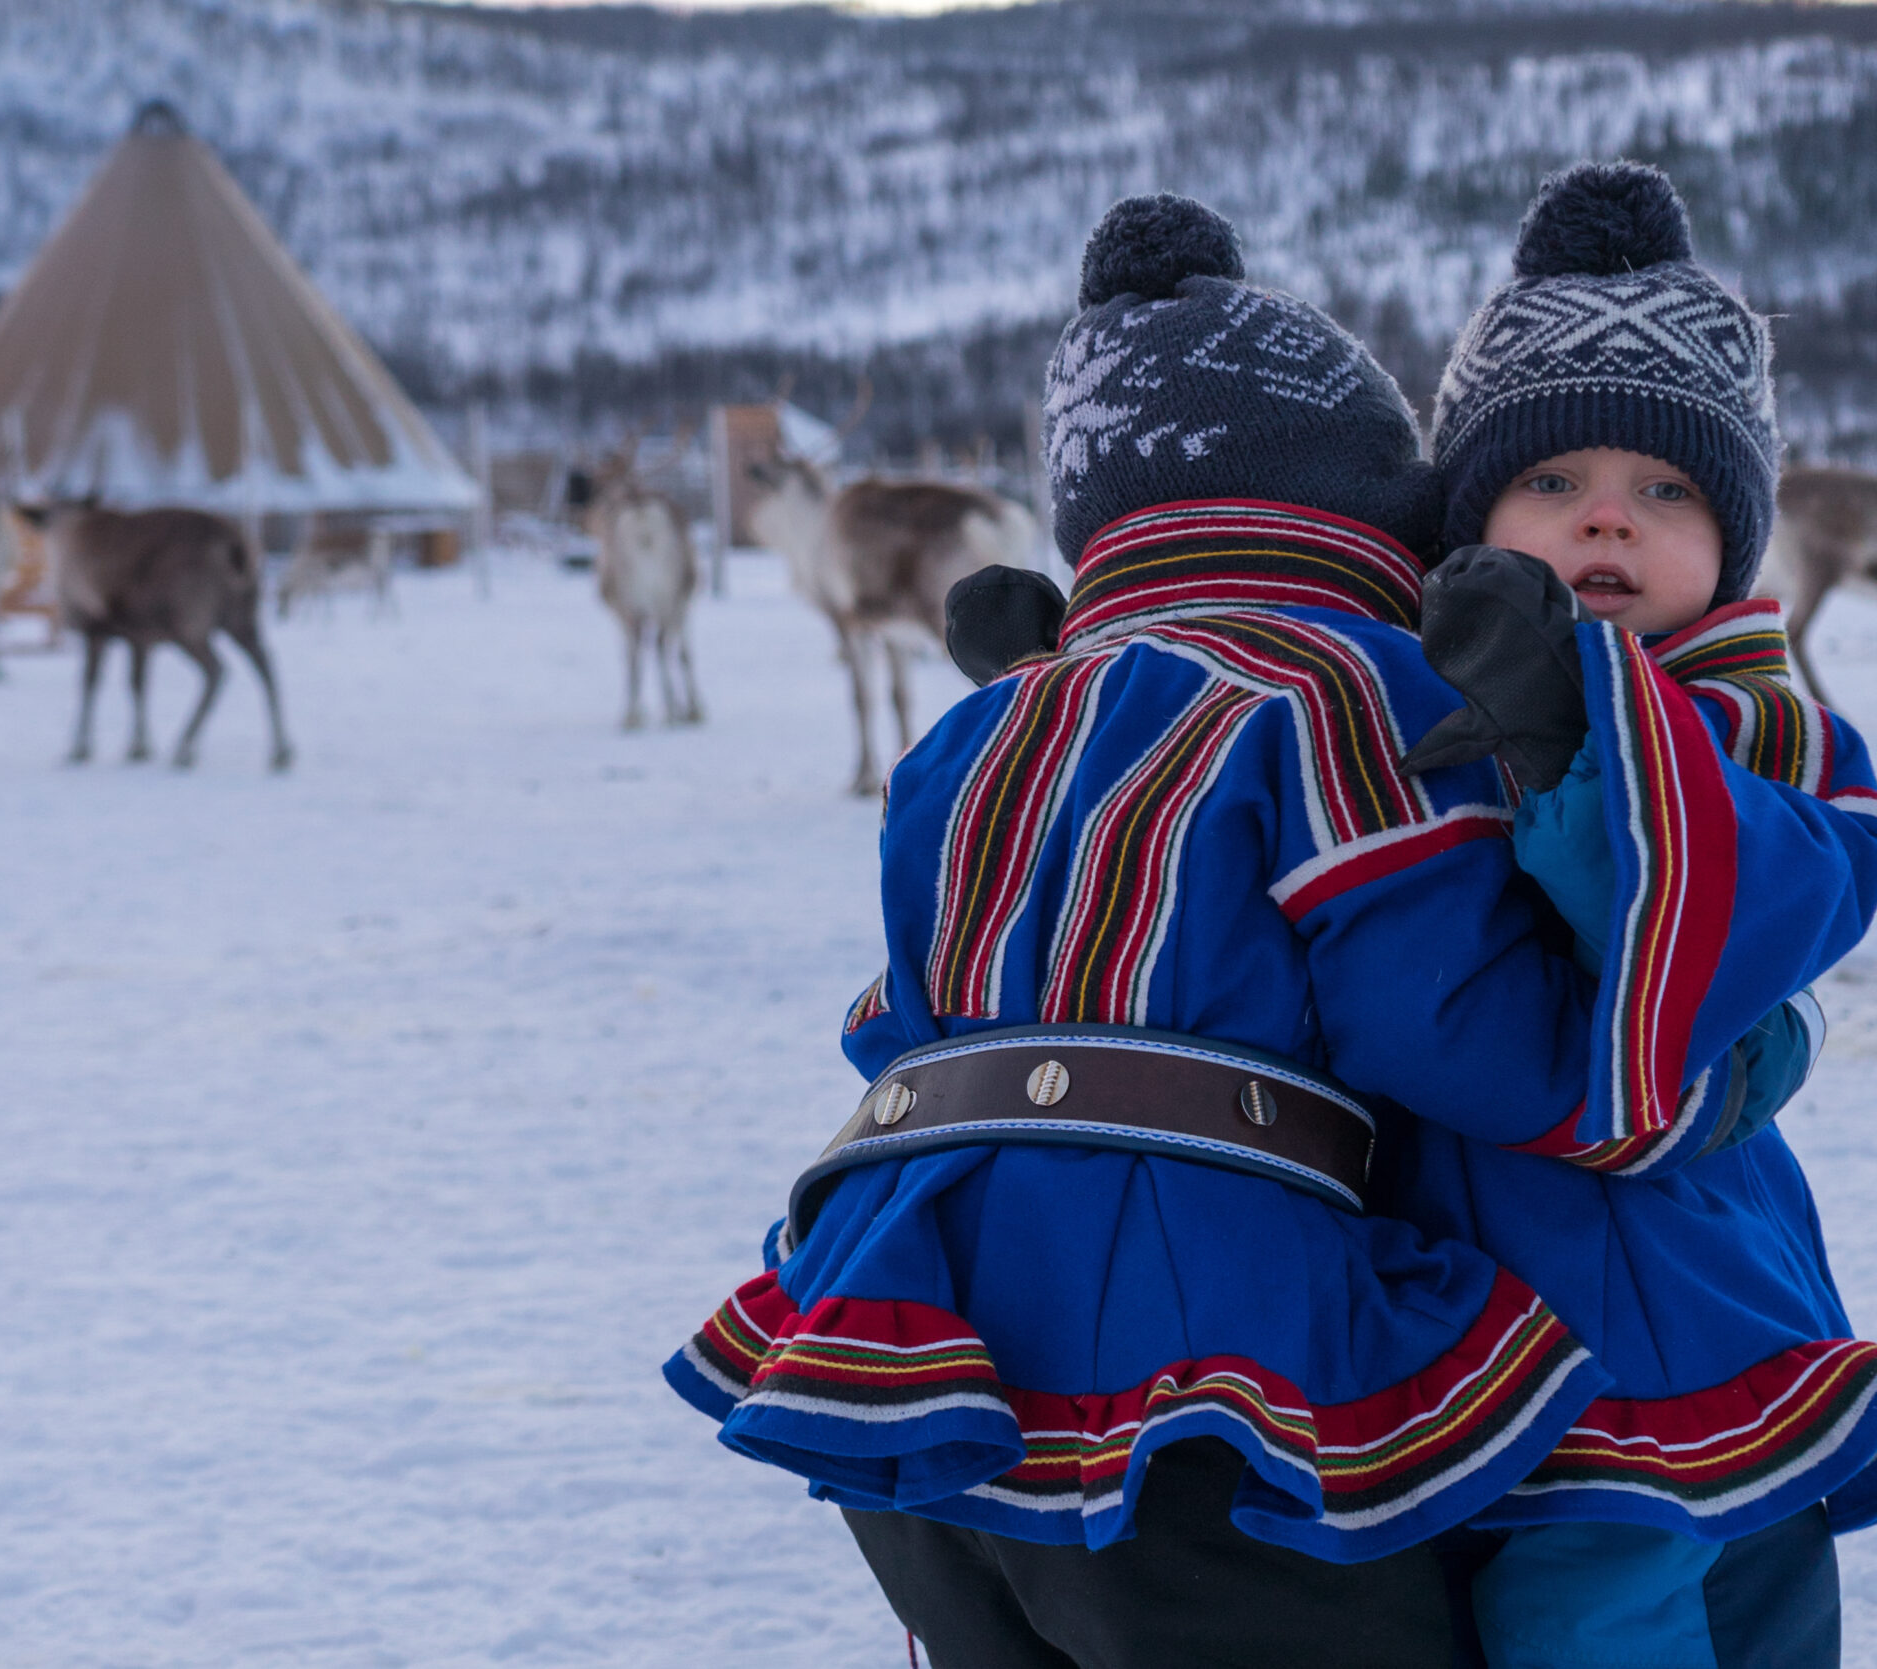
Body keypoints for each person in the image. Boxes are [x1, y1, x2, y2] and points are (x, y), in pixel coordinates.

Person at [668, 193, 1651, 1669]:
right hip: (1201, 1351)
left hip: (902, 1324)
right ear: (1370, 519)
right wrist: (1629, 1058)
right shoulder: (1351, 697)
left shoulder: (985, 723)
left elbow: (896, 1013)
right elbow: (1436, 1023)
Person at [1398, 160, 1877, 1668]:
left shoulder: (1757, 727)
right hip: (1504, 1309)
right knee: (1587, 1600)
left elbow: (1736, 911)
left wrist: (1576, 751)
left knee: (1763, 1594)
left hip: (1710, 1284)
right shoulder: (1400, 727)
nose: (1607, 524)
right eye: (1550, 485)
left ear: (1733, 534)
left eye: (1663, 491)